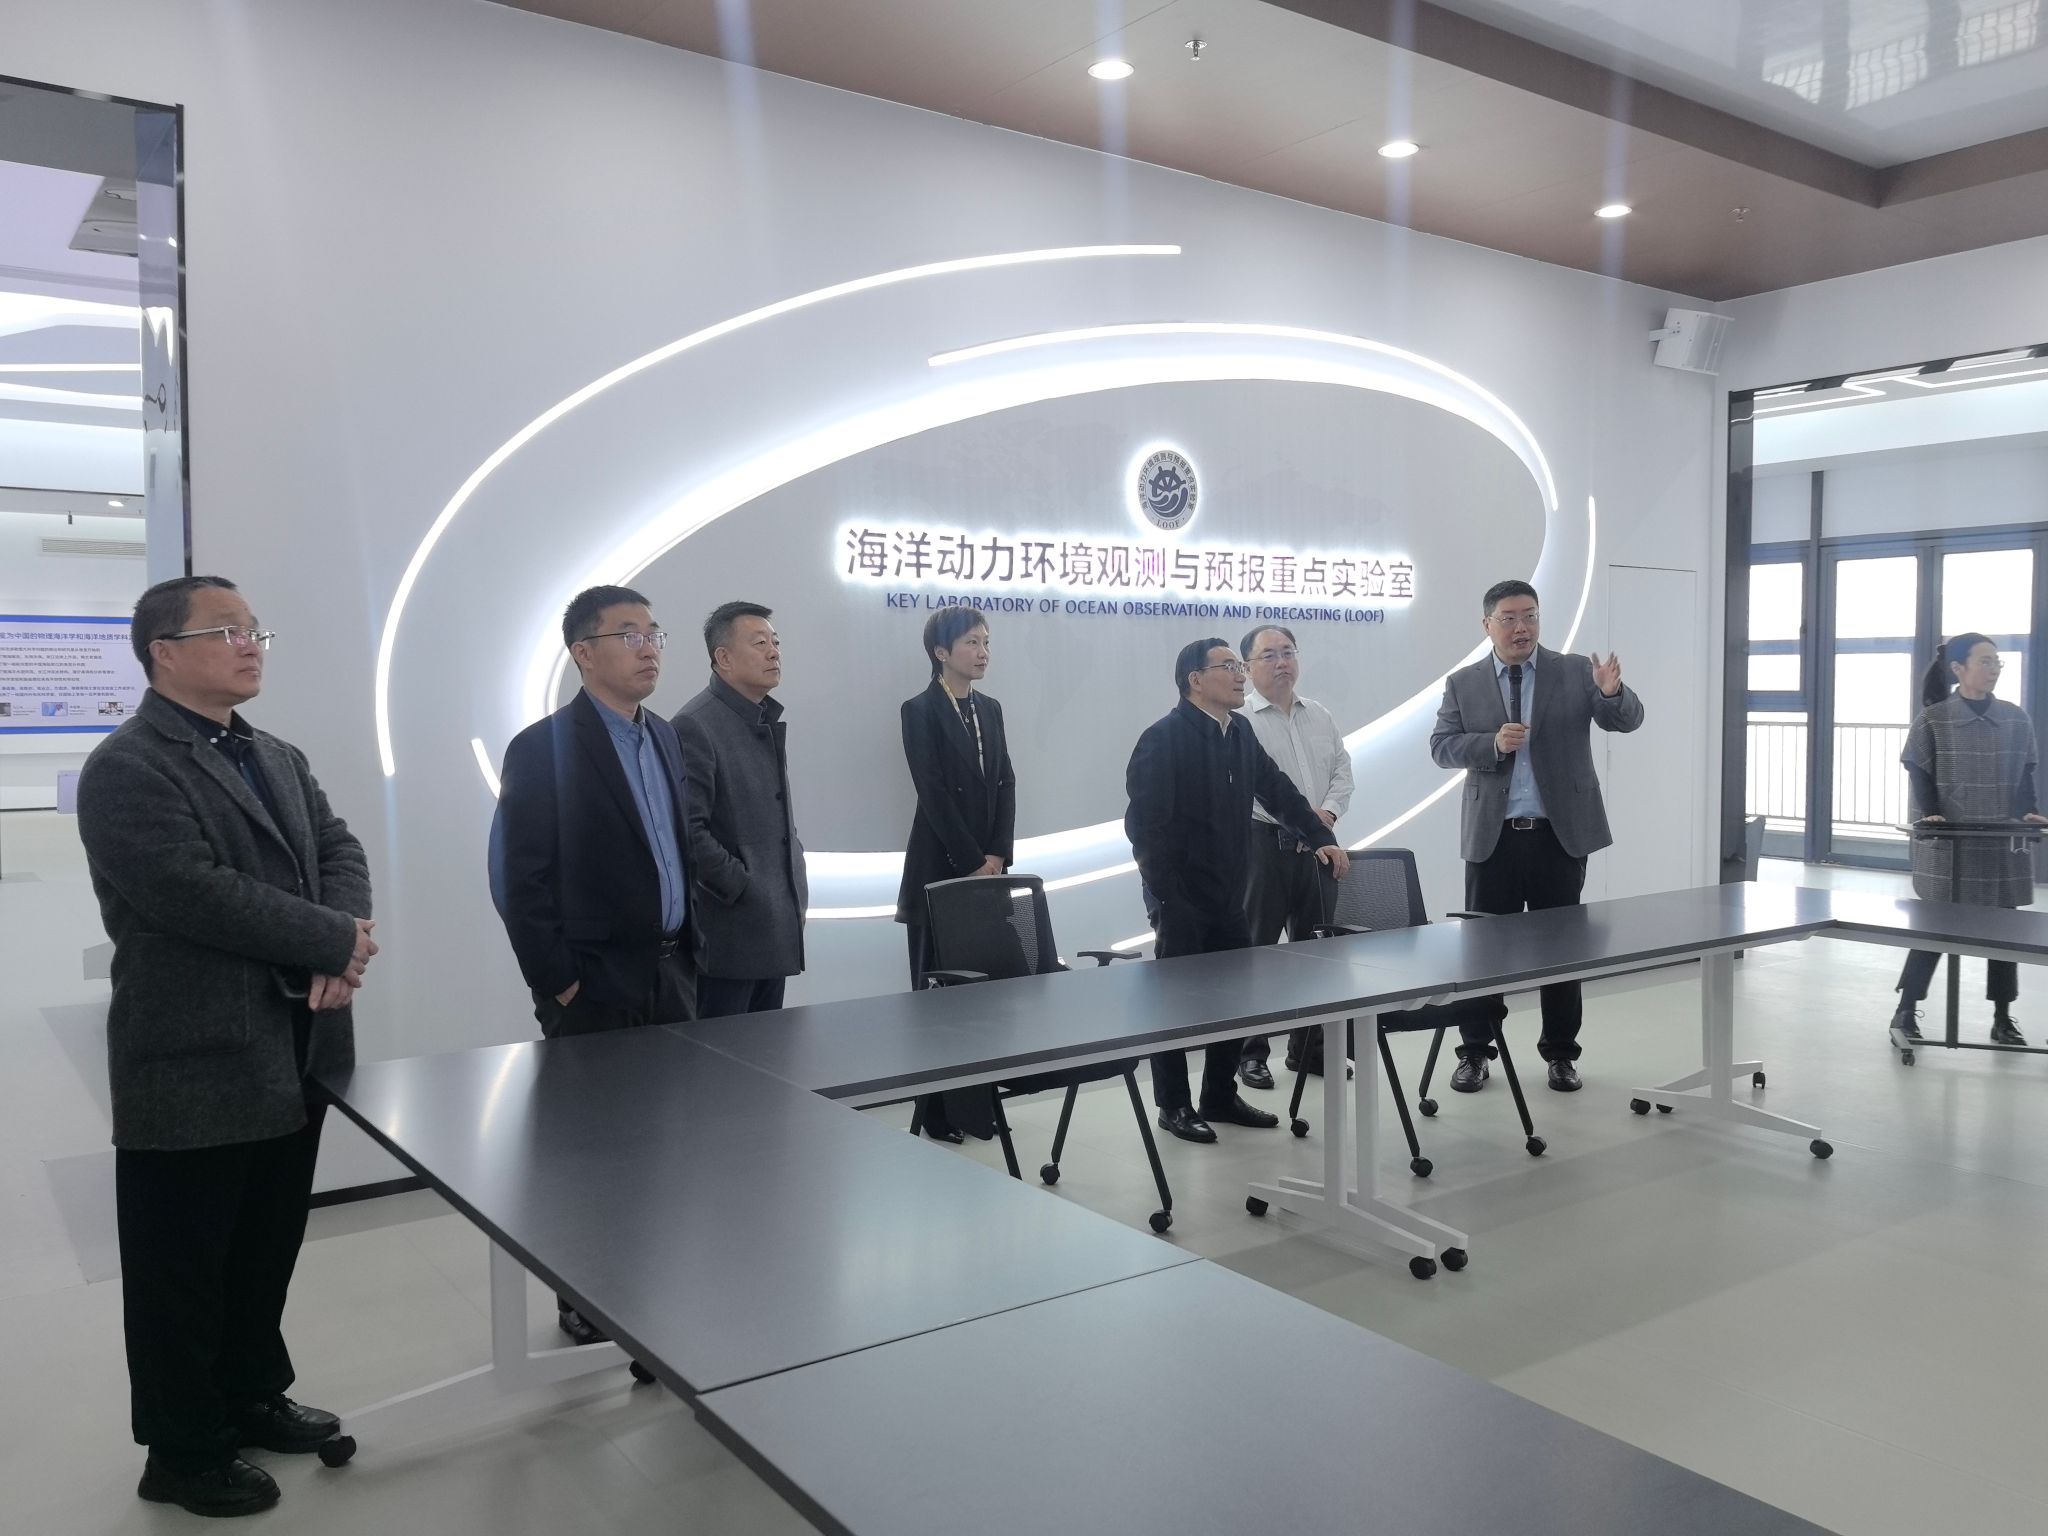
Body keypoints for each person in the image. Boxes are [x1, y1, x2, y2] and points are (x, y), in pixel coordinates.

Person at [76, 576, 376, 1518]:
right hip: (197, 1053)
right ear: (163, 651)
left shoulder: (274, 754)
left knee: (263, 1243)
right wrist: (331, 941)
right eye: (227, 630)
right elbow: (194, 892)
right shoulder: (128, 767)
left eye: (255, 630)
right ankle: (182, 1448)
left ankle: (250, 1393)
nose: (251, 645)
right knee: (182, 1265)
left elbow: (340, 848)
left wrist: (341, 935)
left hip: (295, 1045)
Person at [491, 583, 702, 1347]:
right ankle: (586, 1297)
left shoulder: (666, 738)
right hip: (594, 981)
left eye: (654, 632)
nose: (649, 648)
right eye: (628, 634)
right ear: (583, 653)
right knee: (591, 1154)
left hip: (673, 971)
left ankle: (652, 1281)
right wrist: (560, 980)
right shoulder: (542, 747)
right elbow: (520, 878)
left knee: (667, 1142)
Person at [1126, 637, 1350, 1143]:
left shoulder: (1240, 732)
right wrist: (1169, 899)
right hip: (1180, 899)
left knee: (1233, 1000)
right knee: (1176, 1005)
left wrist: (1320, 837)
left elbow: (1279, 791)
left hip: (1229, 893)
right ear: (1195, 680)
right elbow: (1145, 830)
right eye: (1227, 666)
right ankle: (1173, 1105)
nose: (1239, 674)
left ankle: (1219, 1096)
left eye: (1237, 665)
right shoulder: (1162, 739)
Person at [1428, 579, 1643, 1093]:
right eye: (1509, 618)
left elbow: (1626, 720)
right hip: (1493, 838)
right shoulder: (1463, 682)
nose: (1522, 627)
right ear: (1487, 625)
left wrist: (1611, 692)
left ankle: (1561, 1054)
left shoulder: (1574, 670)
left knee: (1563, 951)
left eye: (1530, 616)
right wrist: (1491, 744)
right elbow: (1441, 747)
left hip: (1558, 836)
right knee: (1483, 953)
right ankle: (1475, 1051)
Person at [1890, 632, 2047, 1046]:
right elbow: (1918, 769)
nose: (1994, 669)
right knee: (1935, 930)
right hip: (1950, 843)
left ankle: (2003, 1018)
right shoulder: (1934, 718)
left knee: (2005, 932)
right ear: (1958, 668)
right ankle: (1905, 1010)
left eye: (1997, 662)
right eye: (1985, 661)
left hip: (2000, 842)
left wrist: (2027, 812)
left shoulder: (2016, 718)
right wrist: (1931, 814)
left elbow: (2025, 772)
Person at [896, 606, 1017, 1143]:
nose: (982, 651)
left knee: (982, 996)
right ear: (941, 652)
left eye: (985, 641)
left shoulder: (990, 708)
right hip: (940, 868)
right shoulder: (919, 710)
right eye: (971, 642)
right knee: (937, 997)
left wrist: (997, 854)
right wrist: (971, 860)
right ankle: (937, 1112)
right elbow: (933, 791)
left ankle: (978, 1106)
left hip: (989, 870)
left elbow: (1006, 782)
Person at [672, 601, 809, 1016]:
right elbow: (689, 830)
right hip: (730, 933)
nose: (774, 652)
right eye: (759, 643)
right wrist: (744, 886)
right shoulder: (696, 723)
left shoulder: (760, 716)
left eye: (775, 642)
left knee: (770, 1049)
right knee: (725, 1054)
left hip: (773, 924)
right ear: (724, 658)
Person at [1236, 625, 1354, 1088]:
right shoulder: (1240, 721)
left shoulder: (1319, 714)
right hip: (1262, 846)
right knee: (1257, 954)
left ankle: (1310, 1051)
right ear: (1247, 667)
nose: (1282, 662)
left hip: (1319, 848)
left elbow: (1342, 771)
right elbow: (1252, 788)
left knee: (1316, 952)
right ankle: (1251, 1053)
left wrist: (1325, 817)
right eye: (1269, 655)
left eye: (1288, 652)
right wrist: (1302, 821)